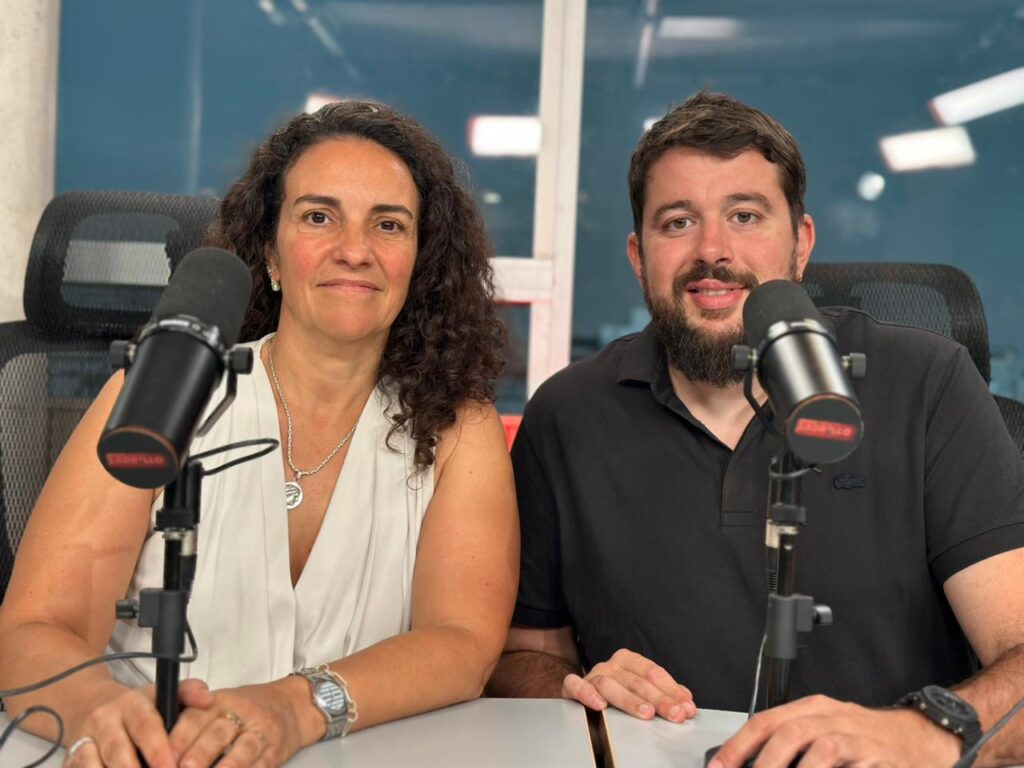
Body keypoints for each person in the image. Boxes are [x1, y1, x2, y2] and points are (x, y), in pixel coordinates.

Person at [487, 91, 1024, 765]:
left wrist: (926, 733)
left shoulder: (926, 383)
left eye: (745, 215)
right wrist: (578, 688)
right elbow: (521, 659)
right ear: (638, 255)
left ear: (801, 244)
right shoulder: (567, 414)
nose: (712, 250)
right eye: (677, 222)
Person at [0, 100, 518, 768]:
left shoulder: (457, 428)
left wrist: (297, 707)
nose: (354, 249)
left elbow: (463, 643)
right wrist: (102, 711)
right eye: (319, 216)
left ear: (419, 261)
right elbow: (36, 627)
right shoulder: (160, 393)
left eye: (388, 224)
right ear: (270, 252)